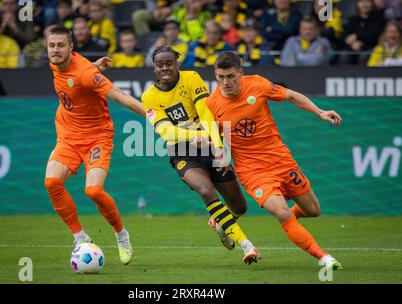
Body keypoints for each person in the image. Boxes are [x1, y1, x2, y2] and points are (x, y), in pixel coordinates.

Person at [206, 51, 343, 271]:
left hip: (281, 160)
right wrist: (218, 155)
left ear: (240, 73)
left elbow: (290, 96)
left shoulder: (258, 84)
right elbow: (214, 140)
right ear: (215, 75)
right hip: (253, 172)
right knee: (282, 212)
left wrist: (320, 112)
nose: (226, 82)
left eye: (231, 76)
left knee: (313, 210)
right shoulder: (212, 104)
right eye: (221, 77)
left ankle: (283, 221)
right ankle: (323, 257)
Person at [141, 46, 259, 265]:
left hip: (209, 145)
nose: (164, 68)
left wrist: (218, 147)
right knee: (206, 191)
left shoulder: (192, 78)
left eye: (169, 63)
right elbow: (164, 130)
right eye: (159, 65)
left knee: (239, 207)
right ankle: (246, 245)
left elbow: (205, 114)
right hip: (181, 151)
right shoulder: (149, 97)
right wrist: (192, 136)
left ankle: (221, 224)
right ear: (154, 68)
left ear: (177, 64)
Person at [44, 25, 144, 265]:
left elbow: (123, 98)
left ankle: (121, 235)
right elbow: (74, 80)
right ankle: (80, 237)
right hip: (68, 135)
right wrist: (94, 66)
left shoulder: (87, 74)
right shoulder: (55, 64)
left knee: (94, 191)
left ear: (71, 47)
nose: (55, 50)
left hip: (97, 136)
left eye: (60, 45)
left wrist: (155, 117)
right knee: (52, 183)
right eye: (52, 45)